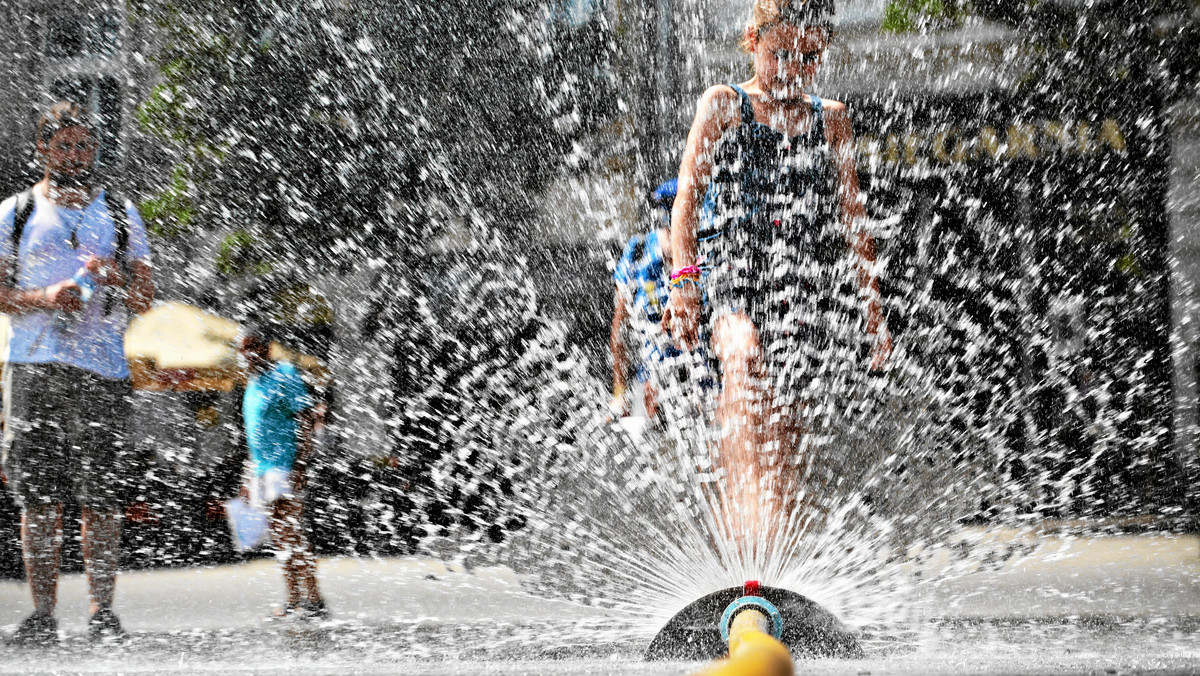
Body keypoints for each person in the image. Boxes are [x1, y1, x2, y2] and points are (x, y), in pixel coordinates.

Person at [661, 0, 891, 555]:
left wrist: (873, 309)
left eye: (809, 57)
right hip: (733, 273)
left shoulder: (830, 117)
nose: (794, 67)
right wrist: (684, 283)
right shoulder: (724, 105)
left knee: (785, 415)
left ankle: (774, 549)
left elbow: (853, 221)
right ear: (752, 40)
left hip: (801, 285)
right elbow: (685, 207)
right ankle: (742, 538)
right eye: (781, 52)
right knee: (741, 361)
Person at [0, 101, 154, 644]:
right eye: (64, 145)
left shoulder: (120, 212)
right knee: (37, 495)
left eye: (84, 145)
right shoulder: (14, 212)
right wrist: (45, 295)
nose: (75, 154)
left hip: (101, 367)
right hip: (33, 364)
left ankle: (100, 611)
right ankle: (42, 614)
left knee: (101, 494)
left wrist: (112, 276)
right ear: (42, 149)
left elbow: (145, 299)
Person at [237, 326, 328, 620]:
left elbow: (306, 419)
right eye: (242, 350)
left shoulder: (284, 374)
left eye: (251, 348)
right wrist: (247, 476)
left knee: (292, 532)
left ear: (265, 349)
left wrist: (301, 464)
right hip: (263, 469)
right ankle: (294, 598)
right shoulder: (252, 383)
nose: (245, 355)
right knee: (280, 537)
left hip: (285, 464)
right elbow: (254, 434)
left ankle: (312, 598)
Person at [609, 179, 680, 421]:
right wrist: (620, 395)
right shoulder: (637, 251)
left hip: (697, 378)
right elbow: (619, 329)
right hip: (652, 379)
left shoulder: (700, 254)